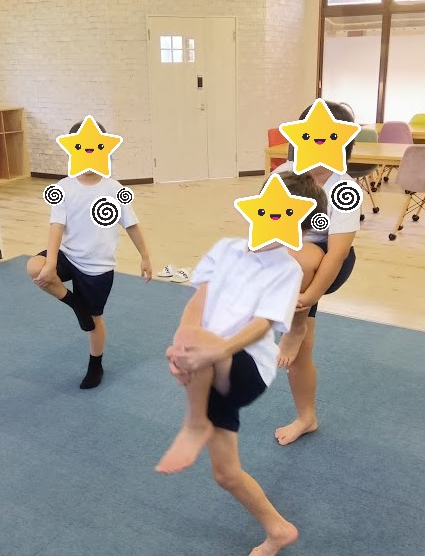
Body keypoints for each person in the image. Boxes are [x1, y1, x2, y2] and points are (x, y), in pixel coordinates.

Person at [155, 173, 327, 556]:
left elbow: (262, 325)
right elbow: (199, 301)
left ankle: (194, 424)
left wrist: (213, 351)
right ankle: (278, 530)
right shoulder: (225, 249)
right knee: (226, 474)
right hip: (209, 367)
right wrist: (183, 342)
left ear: (298, 227)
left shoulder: (287, 270)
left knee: (201, 347)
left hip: (247, 368)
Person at [26, 120, 152, 389]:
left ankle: (96, 365)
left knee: (94, 321)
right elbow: (56, 226)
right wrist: (51, 263)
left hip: (97, 267)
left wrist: (145, 256)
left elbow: (131, 225)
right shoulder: (64, 187)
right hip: (68, 256)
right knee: (34, 266)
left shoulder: (114, 189)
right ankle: (76, 304)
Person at [272, 100, 360, 446]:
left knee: (305, 258)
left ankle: (295, 326)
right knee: (302, 353)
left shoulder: (344, 189)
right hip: (291, 258)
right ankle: (306, 418)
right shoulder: (284, 175)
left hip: (324, 263)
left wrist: (309, 298)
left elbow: (337, 254)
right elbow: (265, 225)